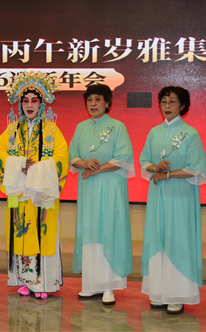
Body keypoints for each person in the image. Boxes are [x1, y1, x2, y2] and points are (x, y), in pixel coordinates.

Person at [0, 71, 69, 299]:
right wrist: (18, 164)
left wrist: (36, 169)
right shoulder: (11, 131)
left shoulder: (52, 130)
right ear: (19, 104)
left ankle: (43, 284)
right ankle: (25, 282)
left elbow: (61, 157)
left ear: (42, 104)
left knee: (42, 233)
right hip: (19, 194)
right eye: (25, 101)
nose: (29, 105)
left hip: (42, 193)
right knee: (21, 233)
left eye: (34, 100)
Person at [139, 86, 206, 314]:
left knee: (178, 240)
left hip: (181, 197)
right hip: (158, 196)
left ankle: (177, 294)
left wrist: (167, 175)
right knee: (158, 238)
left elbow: (196, 167)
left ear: (183, 106)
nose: (167, 106)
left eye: (173, 102)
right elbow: (143, 161)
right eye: (164, 102)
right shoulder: (154, 132)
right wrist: (154, 167)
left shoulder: (191, 133)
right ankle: (158, 292)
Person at [69, 84, 134, 306]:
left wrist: (98, 168)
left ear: (107, 103)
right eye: (89, 100)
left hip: (111, 188)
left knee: (109, 230)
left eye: (98, 100)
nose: (93, 104)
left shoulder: (118, 127)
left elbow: (123, 158)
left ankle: (108, 287)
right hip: (88, 189)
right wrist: (85, 163)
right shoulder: (81, 127)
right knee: (90, 230)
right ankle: (91, 284)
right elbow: (72, 157)